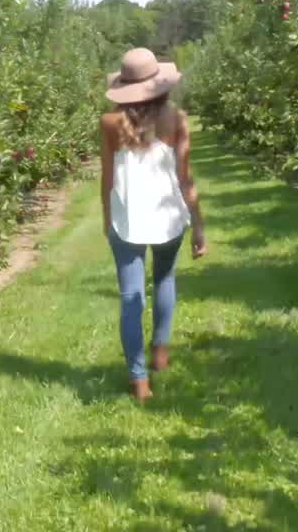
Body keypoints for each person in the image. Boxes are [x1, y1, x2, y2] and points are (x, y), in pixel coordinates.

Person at [99, 47, 206, 403]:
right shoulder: (177, 119)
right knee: (164, 279)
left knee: (131, 297)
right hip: (168, 217)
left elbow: (107, 178)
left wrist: (106, 217)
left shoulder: (110, 124)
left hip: (127, 219)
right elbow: (185, 178)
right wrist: (199, 225)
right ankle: (160, 350)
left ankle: (139, 380)